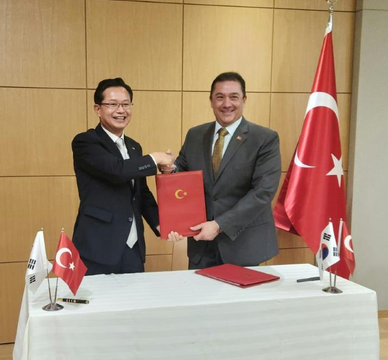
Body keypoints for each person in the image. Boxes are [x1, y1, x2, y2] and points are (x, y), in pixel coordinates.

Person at [168, 72, 281, 269]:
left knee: (241, 300)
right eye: (220, 97)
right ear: (211, 101)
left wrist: (219, 225)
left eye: (234, 97)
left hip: (244, 245)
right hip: (201, 244)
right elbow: (182, 175)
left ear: (244, 100)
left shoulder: (264, 139)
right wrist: (168, 170)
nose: (226, 103)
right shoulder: (195, 135)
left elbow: (263, 192)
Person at [72, 77, 175, 275]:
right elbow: (116, 171)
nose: (121, 110)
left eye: (126, 104)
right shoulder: (86, 142)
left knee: (134, 304)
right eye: (112, 104)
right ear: (97, 109)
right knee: (99, 305)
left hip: (133, 249)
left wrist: (161, 224)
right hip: (98, 248)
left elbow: (141, 194)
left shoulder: (134, 147)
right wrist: (154, 159)